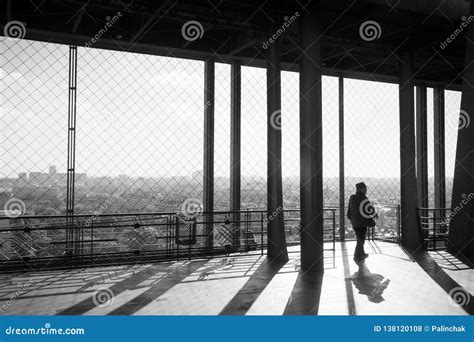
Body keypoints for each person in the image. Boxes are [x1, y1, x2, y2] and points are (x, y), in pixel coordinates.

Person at [347, 182, 378, 264]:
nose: (366, 189)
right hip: (362, 222)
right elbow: (368, 208)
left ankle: (361, 254)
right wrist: (374, 214)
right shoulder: (363, 198)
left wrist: (352, 219)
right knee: (361, 240)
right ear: (361, 189)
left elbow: (349, 212)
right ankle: (357, 256)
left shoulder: (352, 198)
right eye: (365, 188)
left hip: (355, 222)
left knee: (360, 238)